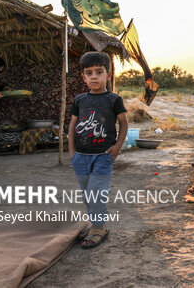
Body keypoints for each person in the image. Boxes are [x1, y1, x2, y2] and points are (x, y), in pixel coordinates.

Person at [68, 51, 127, 248]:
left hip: (103, 156)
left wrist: (117, 147)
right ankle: (95, 223)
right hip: (81, 157)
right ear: (83, 76)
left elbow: (124, 124)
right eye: (89, 72)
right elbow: (72, 126)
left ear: (107, 75)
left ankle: (99, 228)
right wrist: (71, 152)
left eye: (99, 72)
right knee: (87, 193)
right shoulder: (79, 100)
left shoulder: (113, 99)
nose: (94, 76)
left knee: (96, 192)